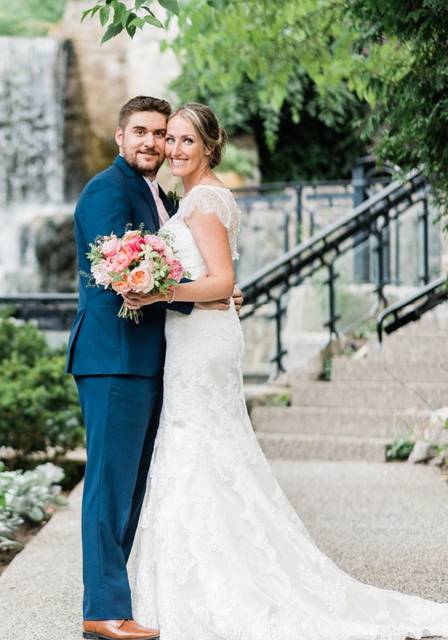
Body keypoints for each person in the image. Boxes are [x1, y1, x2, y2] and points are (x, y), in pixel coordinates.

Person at [122, 102, 448, 640]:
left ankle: (211, 585)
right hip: (196, 335)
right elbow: (219, 281)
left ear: (209, 147)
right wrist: (190, 292)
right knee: (202, 443)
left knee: (195, 441)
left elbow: (221, 282)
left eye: (186, 141)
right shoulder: (195, 199)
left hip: (201, 342)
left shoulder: (204, 199)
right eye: (170, 140)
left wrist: (158, 291)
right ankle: (196, 575)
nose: (174, 150)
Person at [65, 95, 244, 640]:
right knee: (109, 484)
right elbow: (117, 275)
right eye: (140, 131)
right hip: (114, 358)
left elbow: (167, 265)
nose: (152, 142)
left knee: (135, 483)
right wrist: (200, 298)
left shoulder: (161, 194)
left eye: (161, 134)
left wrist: (212, 292)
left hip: (151, 358)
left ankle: (120, 595)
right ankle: (103, 608)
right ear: (120, 137)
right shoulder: (106, 191)